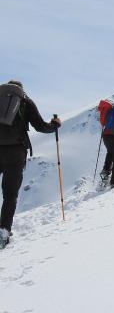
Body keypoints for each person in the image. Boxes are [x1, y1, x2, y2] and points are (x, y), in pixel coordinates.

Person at [0, 80, 61, 248]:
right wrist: (54, 125)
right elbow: (40, 126)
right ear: (21, 90)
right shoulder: (25, 102)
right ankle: (3, 231)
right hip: (16, 152)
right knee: (10, 194)